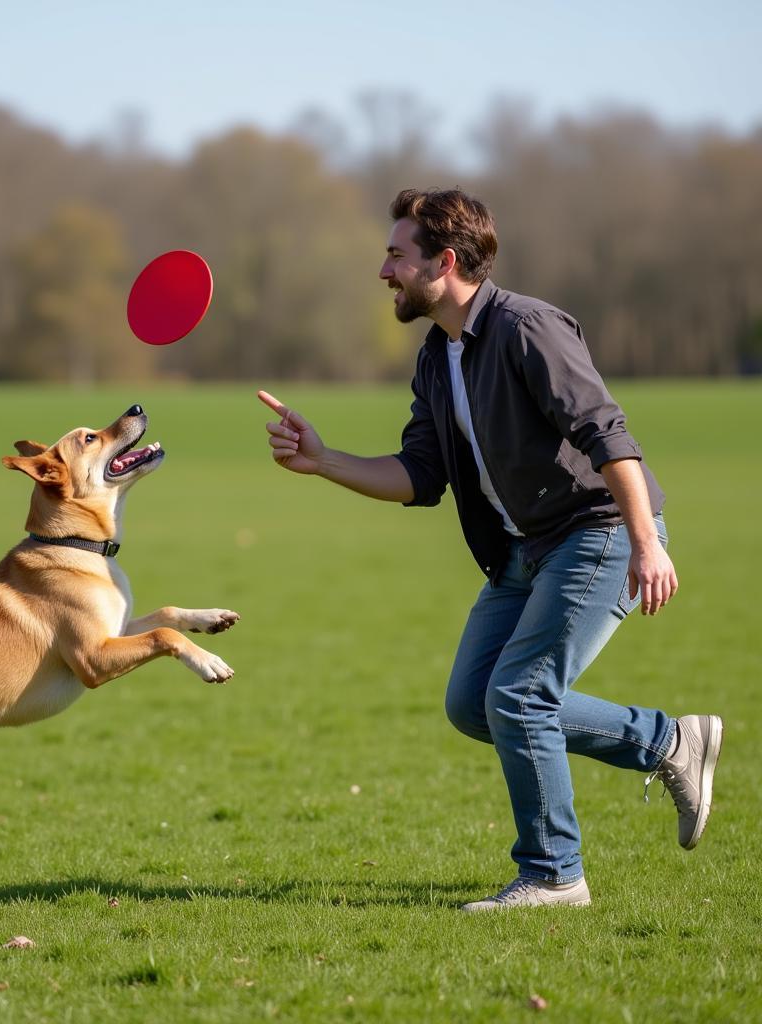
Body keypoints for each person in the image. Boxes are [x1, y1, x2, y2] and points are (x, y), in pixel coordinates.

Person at [257, 187, 723, 912]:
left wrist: (644, 542)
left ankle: (553, 875)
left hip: (597, 531)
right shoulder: (437, 357)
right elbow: (419, 477)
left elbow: (609, 434)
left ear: (444, 262)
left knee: (519, 695)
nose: (382, 271)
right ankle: (666, 742)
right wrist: (323, 461)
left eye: (394, 255)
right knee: (476, 703)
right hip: (524, 550)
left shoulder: (527, 328)